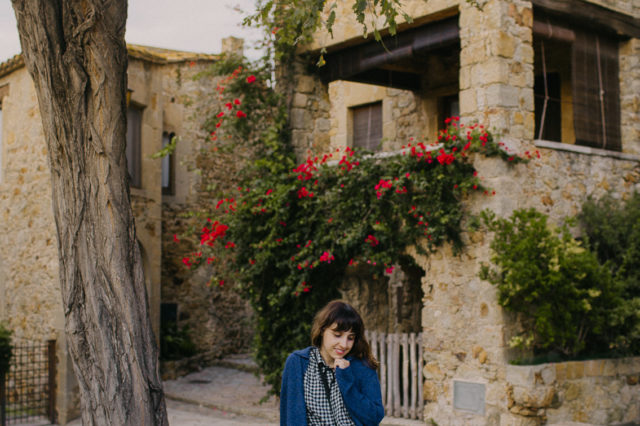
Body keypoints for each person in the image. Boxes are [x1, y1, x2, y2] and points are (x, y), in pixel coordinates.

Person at [280, 300, 384, 425]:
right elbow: (289, 417)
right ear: (322, 330)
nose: (344, 344)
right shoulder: (298, 363)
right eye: (337, 335)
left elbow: (374, 418)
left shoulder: (362, 366)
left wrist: (346, 379)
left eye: (350, 338)